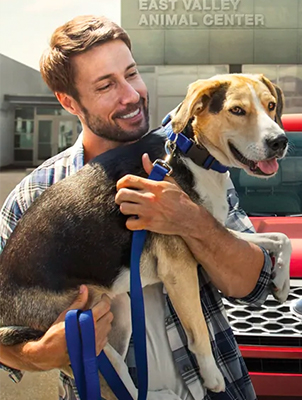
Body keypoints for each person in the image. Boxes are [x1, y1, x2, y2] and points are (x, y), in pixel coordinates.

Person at [0, 15, 277, 400]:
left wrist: (192, 221)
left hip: (215, 389)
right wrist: (39, 354)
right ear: (68, 101)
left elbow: (253, 285)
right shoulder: (36, 196)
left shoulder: (194, 162)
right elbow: (5, 325)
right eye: (106, 85)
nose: (130, 95)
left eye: (131, 74)